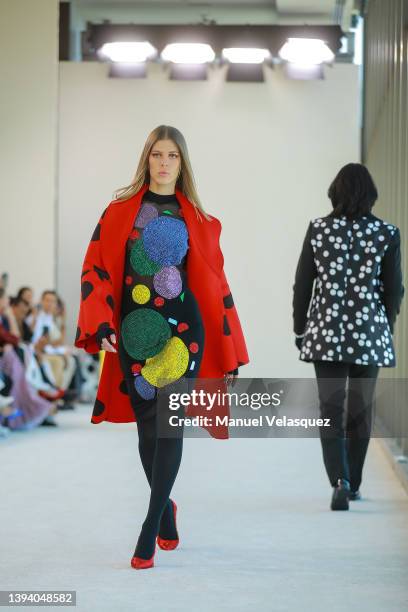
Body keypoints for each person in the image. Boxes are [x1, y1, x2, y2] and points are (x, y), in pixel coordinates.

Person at [75, 125, 249, 569]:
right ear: (146, 159)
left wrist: (230, 346)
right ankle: (166, 508)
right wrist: (100, 324)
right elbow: (94, 267)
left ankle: (148, 528)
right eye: (157, 154)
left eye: (172, 155)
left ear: (182, 162)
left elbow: (217, 285)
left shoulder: (200, 220)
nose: (165, 162)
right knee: (146, 429)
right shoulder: (119, 212)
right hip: (134, 331)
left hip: (183, 332)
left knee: (168, 425)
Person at [293, 163, 404, 511]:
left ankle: (338, 480)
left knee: (330, 409)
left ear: (334, 193)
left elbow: (303, 284)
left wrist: (300, 328)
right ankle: (354, 483)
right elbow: (393, 291)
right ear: (371, 195)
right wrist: (383, 325)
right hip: (369, 333)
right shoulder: (387, 233)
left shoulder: (319, 230)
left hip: (325, 333)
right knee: (360, 411)